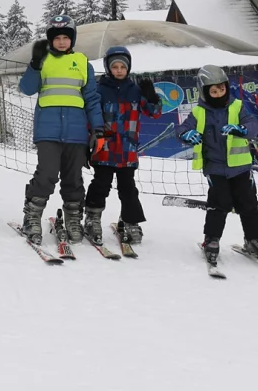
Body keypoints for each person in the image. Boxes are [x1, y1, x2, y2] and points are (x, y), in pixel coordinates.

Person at [177, 64, 258, 266]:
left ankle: (254, 239)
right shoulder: (198, 112)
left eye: (221, 89)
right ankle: (211, 239)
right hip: (215, 168)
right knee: (219, 204)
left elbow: (253, 125)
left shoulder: (237, 106)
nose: (218, 93)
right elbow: (183, 129)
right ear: (205, 92)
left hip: (241, 167)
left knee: (248, 204)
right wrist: (186, 134)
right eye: (213, 91)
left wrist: (241, 129)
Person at [18, 15, 104, 245]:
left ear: (72, 39)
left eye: (66, 37)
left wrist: (97, 129)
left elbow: (92, 99)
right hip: (48, 130)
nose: (62, 42)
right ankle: (32, 216)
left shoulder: (83, 62)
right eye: (58, 38)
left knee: (73, 177)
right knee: (47, 175)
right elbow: (26, 89)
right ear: (51, 40)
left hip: (77, 132)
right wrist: (34, 65)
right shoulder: (43, 60)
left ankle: (73, 218)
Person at [85, 46, 162, 245]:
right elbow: (91, 116)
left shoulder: (135, 91)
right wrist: (89, 140)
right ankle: (92, 218)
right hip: (104, 149)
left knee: (128, 188)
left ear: (128, 68)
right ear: (108, 68)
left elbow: (154, 113)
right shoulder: (100, 90)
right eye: (115, 67)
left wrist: (152, 97)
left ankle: (131, 221)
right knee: (100, 185)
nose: (119, 70)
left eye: (122, 67)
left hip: (127, 151)